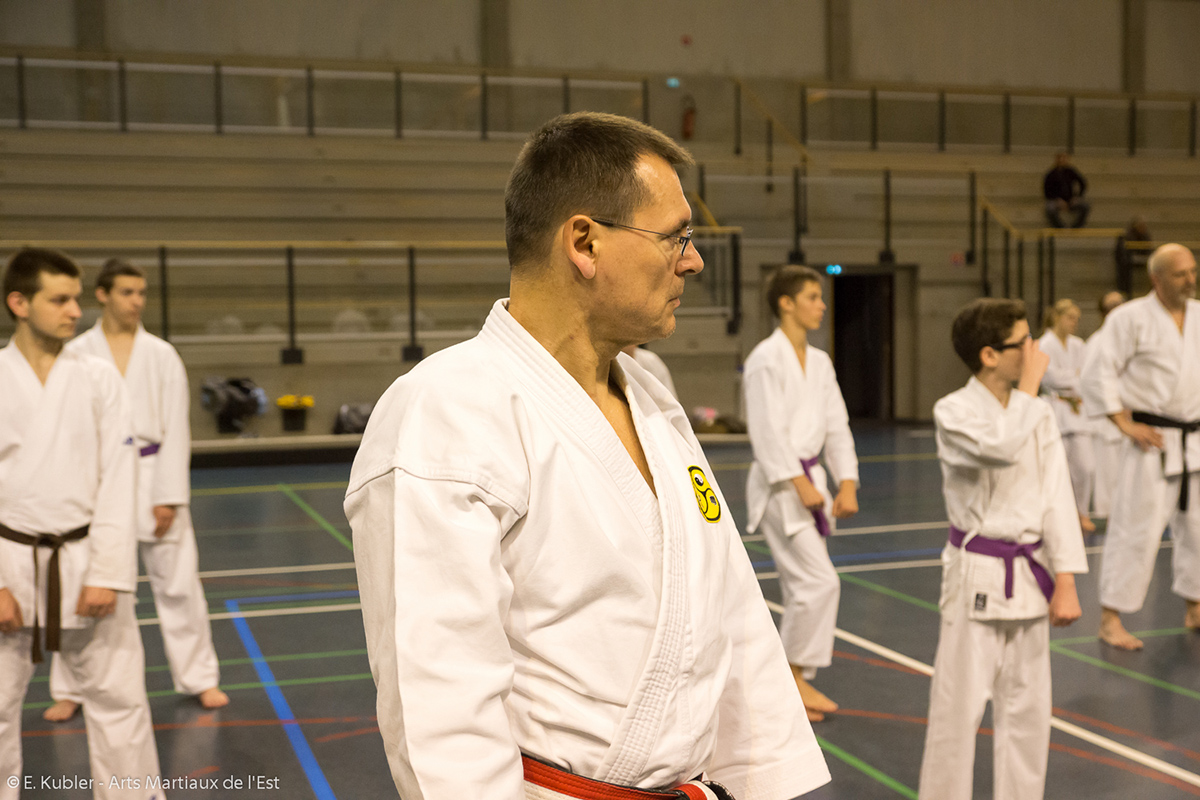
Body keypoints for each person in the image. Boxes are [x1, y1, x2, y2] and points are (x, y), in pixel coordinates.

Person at [346, 112, 830, 800]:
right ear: (585, 242)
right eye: (676, 236)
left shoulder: (654, 401)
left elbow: (734, 622)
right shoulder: (446, 411)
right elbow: (441, 719)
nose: (692, 260)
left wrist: (765, 785)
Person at [0, 248, 163, 800]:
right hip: (11, 566)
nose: (75, 311)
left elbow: (120, 478)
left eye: (75, 298)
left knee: (120, 702)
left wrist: (108, 574)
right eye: (60, 299)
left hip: (87, 559)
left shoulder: (98, 378)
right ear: (19, 302)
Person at [43, 259, 227, 724]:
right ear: (102, 295)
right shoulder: (76, 353)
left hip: (152, 472)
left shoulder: (161, 354)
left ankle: (199, 676)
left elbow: (176, 428)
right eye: (127, 292)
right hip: (96, 479)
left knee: (179, 585)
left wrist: (169, 494)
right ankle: (71, 687)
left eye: (141, 293)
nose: (137, 301)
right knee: (83, 584)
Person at [918, 298, 1087, 800]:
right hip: (977, 574)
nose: (1035, 352)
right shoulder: (953, 411)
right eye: (1023, 343)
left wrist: (1067, 580)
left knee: (1029, 714)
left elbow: (1057, 495)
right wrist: (1032, 390)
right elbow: (999, 447)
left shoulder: (1037, 412)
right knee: (957, 712)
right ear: (990, 355)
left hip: (1032, 577)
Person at [742, 265, 859, 723]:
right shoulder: (765, 359)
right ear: (786, 303)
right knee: (818, 583)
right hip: (781, 487)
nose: (822, 305)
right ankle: (790, 679)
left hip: (810, 483)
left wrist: (846, 480)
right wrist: (798, 481)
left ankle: (793, 680)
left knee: (803, 587)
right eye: (812, 296)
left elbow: (837, 424)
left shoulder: (821, 362)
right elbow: (766, 430)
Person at [1080, 243, 1200, 651]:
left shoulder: (1199, 315)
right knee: (1136, 529)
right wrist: (1122, 422)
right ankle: (1111, 619)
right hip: (1153, 441)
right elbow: (1098, 371)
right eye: (1180, 274)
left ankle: (1195, 606)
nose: (1190, 280)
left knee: (1197, 529)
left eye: (1192, 271)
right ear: (1156, 278)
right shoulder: (1129, 318)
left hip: (1194, 441)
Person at [1037, 299, 1095, 532]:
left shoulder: (1079, 345)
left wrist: (1071, 378)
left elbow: (1087, 376)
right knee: (1056, 468)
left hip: (1078, 411)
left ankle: (1082, 512)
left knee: (1086, 467)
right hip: (1055, 409)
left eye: (1076, 319)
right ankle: (1058, 515)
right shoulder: (1044, 344)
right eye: (1070, 317)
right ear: (1057, 317)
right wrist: (1074, 376)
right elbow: (1049, 378)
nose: (1074, 323)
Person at [1086, 291, 1126, 518]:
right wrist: (1115, 410)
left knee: (1128, 482)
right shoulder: (1098, 340)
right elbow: (1088, 382)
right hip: (1107, 423)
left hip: (1132, 423)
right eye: (1111, 306)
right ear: (1103, 313)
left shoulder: (1128, 337)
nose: (1117, 308)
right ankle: (1105, 525)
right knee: (1107, 482)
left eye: (1120, 304)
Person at [1043, 152, 1090, 229]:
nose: (1062, 161)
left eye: (1064, 159)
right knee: (1049, 208)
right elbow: (1047, 191)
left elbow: (1082, 183)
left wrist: (1077, 196)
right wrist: (1057, 200)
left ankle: (1077, 226)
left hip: (1071, 199)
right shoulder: (1051, 174)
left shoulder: (1070, 172)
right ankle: (1059, 227)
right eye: (1060, 159)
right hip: (1057, 200)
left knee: (1085, 206)